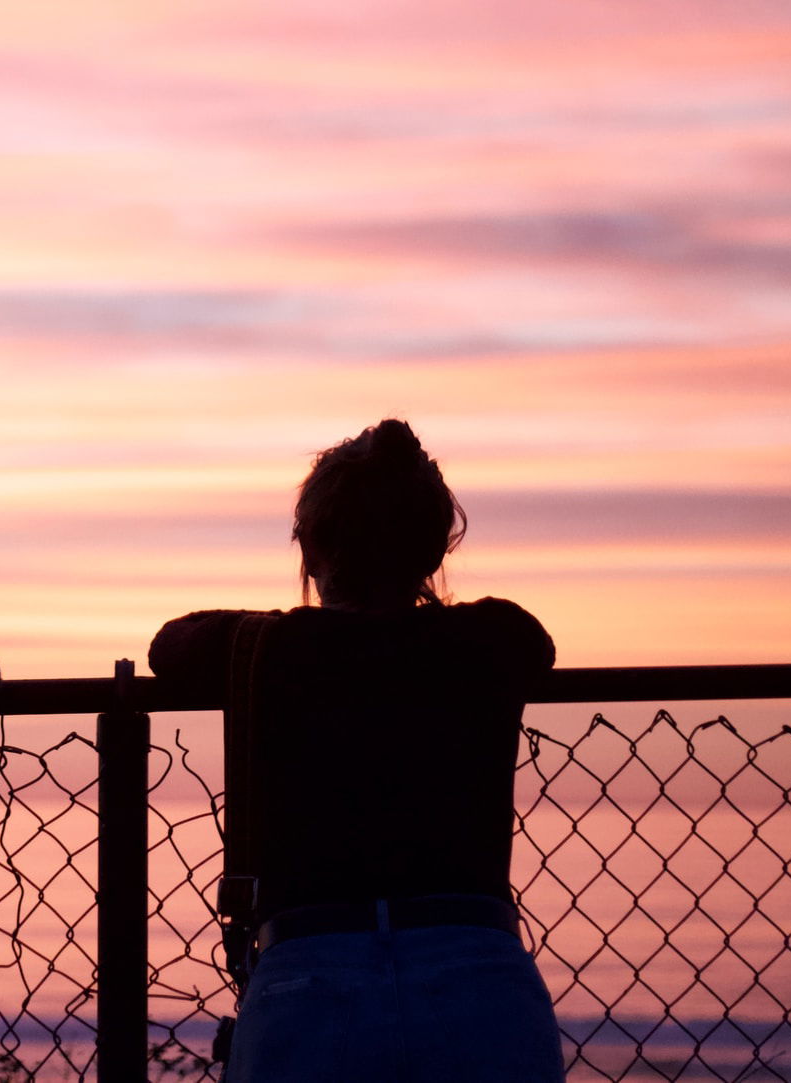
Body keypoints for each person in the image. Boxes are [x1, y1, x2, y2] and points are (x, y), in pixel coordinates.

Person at [147, 419, 561, 1083]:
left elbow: (169, 645)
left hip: (310, 973)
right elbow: (537, 646)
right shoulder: (492, 637)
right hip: (476, 972)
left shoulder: (260, 651)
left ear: (310, 549)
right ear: (433, 550)